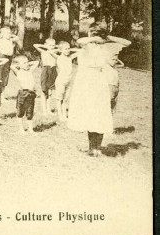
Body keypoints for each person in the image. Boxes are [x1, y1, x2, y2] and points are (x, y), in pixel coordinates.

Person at [67, 23, 131, 156]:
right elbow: (79, 41)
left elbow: (127, 43)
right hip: (86, 83)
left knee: (100, 115)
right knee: (90, 115)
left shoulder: (107, 46)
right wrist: (94, 38)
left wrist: (107, 37)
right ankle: (92, 148)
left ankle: (97, 148)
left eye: (94, 33)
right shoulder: (87, 45)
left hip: (100, 83)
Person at [11, 55, 40, 134]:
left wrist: (26, 63)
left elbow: (36, 62)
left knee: (30, 111)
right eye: (24, 63)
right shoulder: (18, 72)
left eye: (27, 62)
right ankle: (21, 129)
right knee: (20, 112)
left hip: (31, 93)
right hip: (23, 93)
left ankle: (31, 129)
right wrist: (20, 65)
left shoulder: (30, 70)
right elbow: (12, 66)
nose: (27, 64)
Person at [52, 41, 78, 121]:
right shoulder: (58, 57)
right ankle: (60, 115)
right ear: (61, 50)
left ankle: (64, 115)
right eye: (66, 49)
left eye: (68, 48)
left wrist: (70, 48)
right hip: (61, 81)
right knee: (59, 98)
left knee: (65, 99)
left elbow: (81, 51)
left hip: (68, 81)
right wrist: (59, 49)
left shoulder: (70, 57)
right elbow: (50, 51)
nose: (68, 50)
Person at [34, 38, 58, 115]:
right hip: (46, 71)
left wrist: (54, 47)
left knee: (50, 92)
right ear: (46, 45)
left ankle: (48, 109)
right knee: (44, 91)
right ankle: (44, 111)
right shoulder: (44, 51)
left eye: (53, 45)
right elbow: (35, 45)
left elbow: (61, 48)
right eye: (50, 45)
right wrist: (46, 46)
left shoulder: (55, 52)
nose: (52, 46)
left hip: (53, 71)